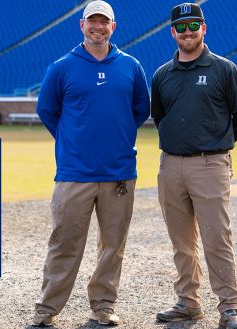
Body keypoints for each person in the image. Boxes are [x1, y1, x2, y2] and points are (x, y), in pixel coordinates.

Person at [32, 1, 150, 326]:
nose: (98, 27)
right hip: (74, 173)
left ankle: (103, 307)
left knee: (113, 246)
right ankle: (46, 310)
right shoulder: (61, 67)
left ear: (114, 27)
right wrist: (73, 140)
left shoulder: (131, 66)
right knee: (64, 242)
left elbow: (140, 110)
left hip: (119, 173)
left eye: (104, 22)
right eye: (92, 21)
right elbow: (47, 111)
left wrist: (117, 135)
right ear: (81, 25)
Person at [151, 3, 237, 329]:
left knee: (216, 239)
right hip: (171, 166)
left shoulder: (224, 69)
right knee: (181, 241)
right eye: (181, 27)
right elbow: (160, 117)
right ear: (172, 33)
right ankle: (188, 303)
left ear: (204, 28)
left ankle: (229, 309)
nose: (188, 31)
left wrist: (215, 146)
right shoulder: (162, 75)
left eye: (194, 25)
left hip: (210, 165)